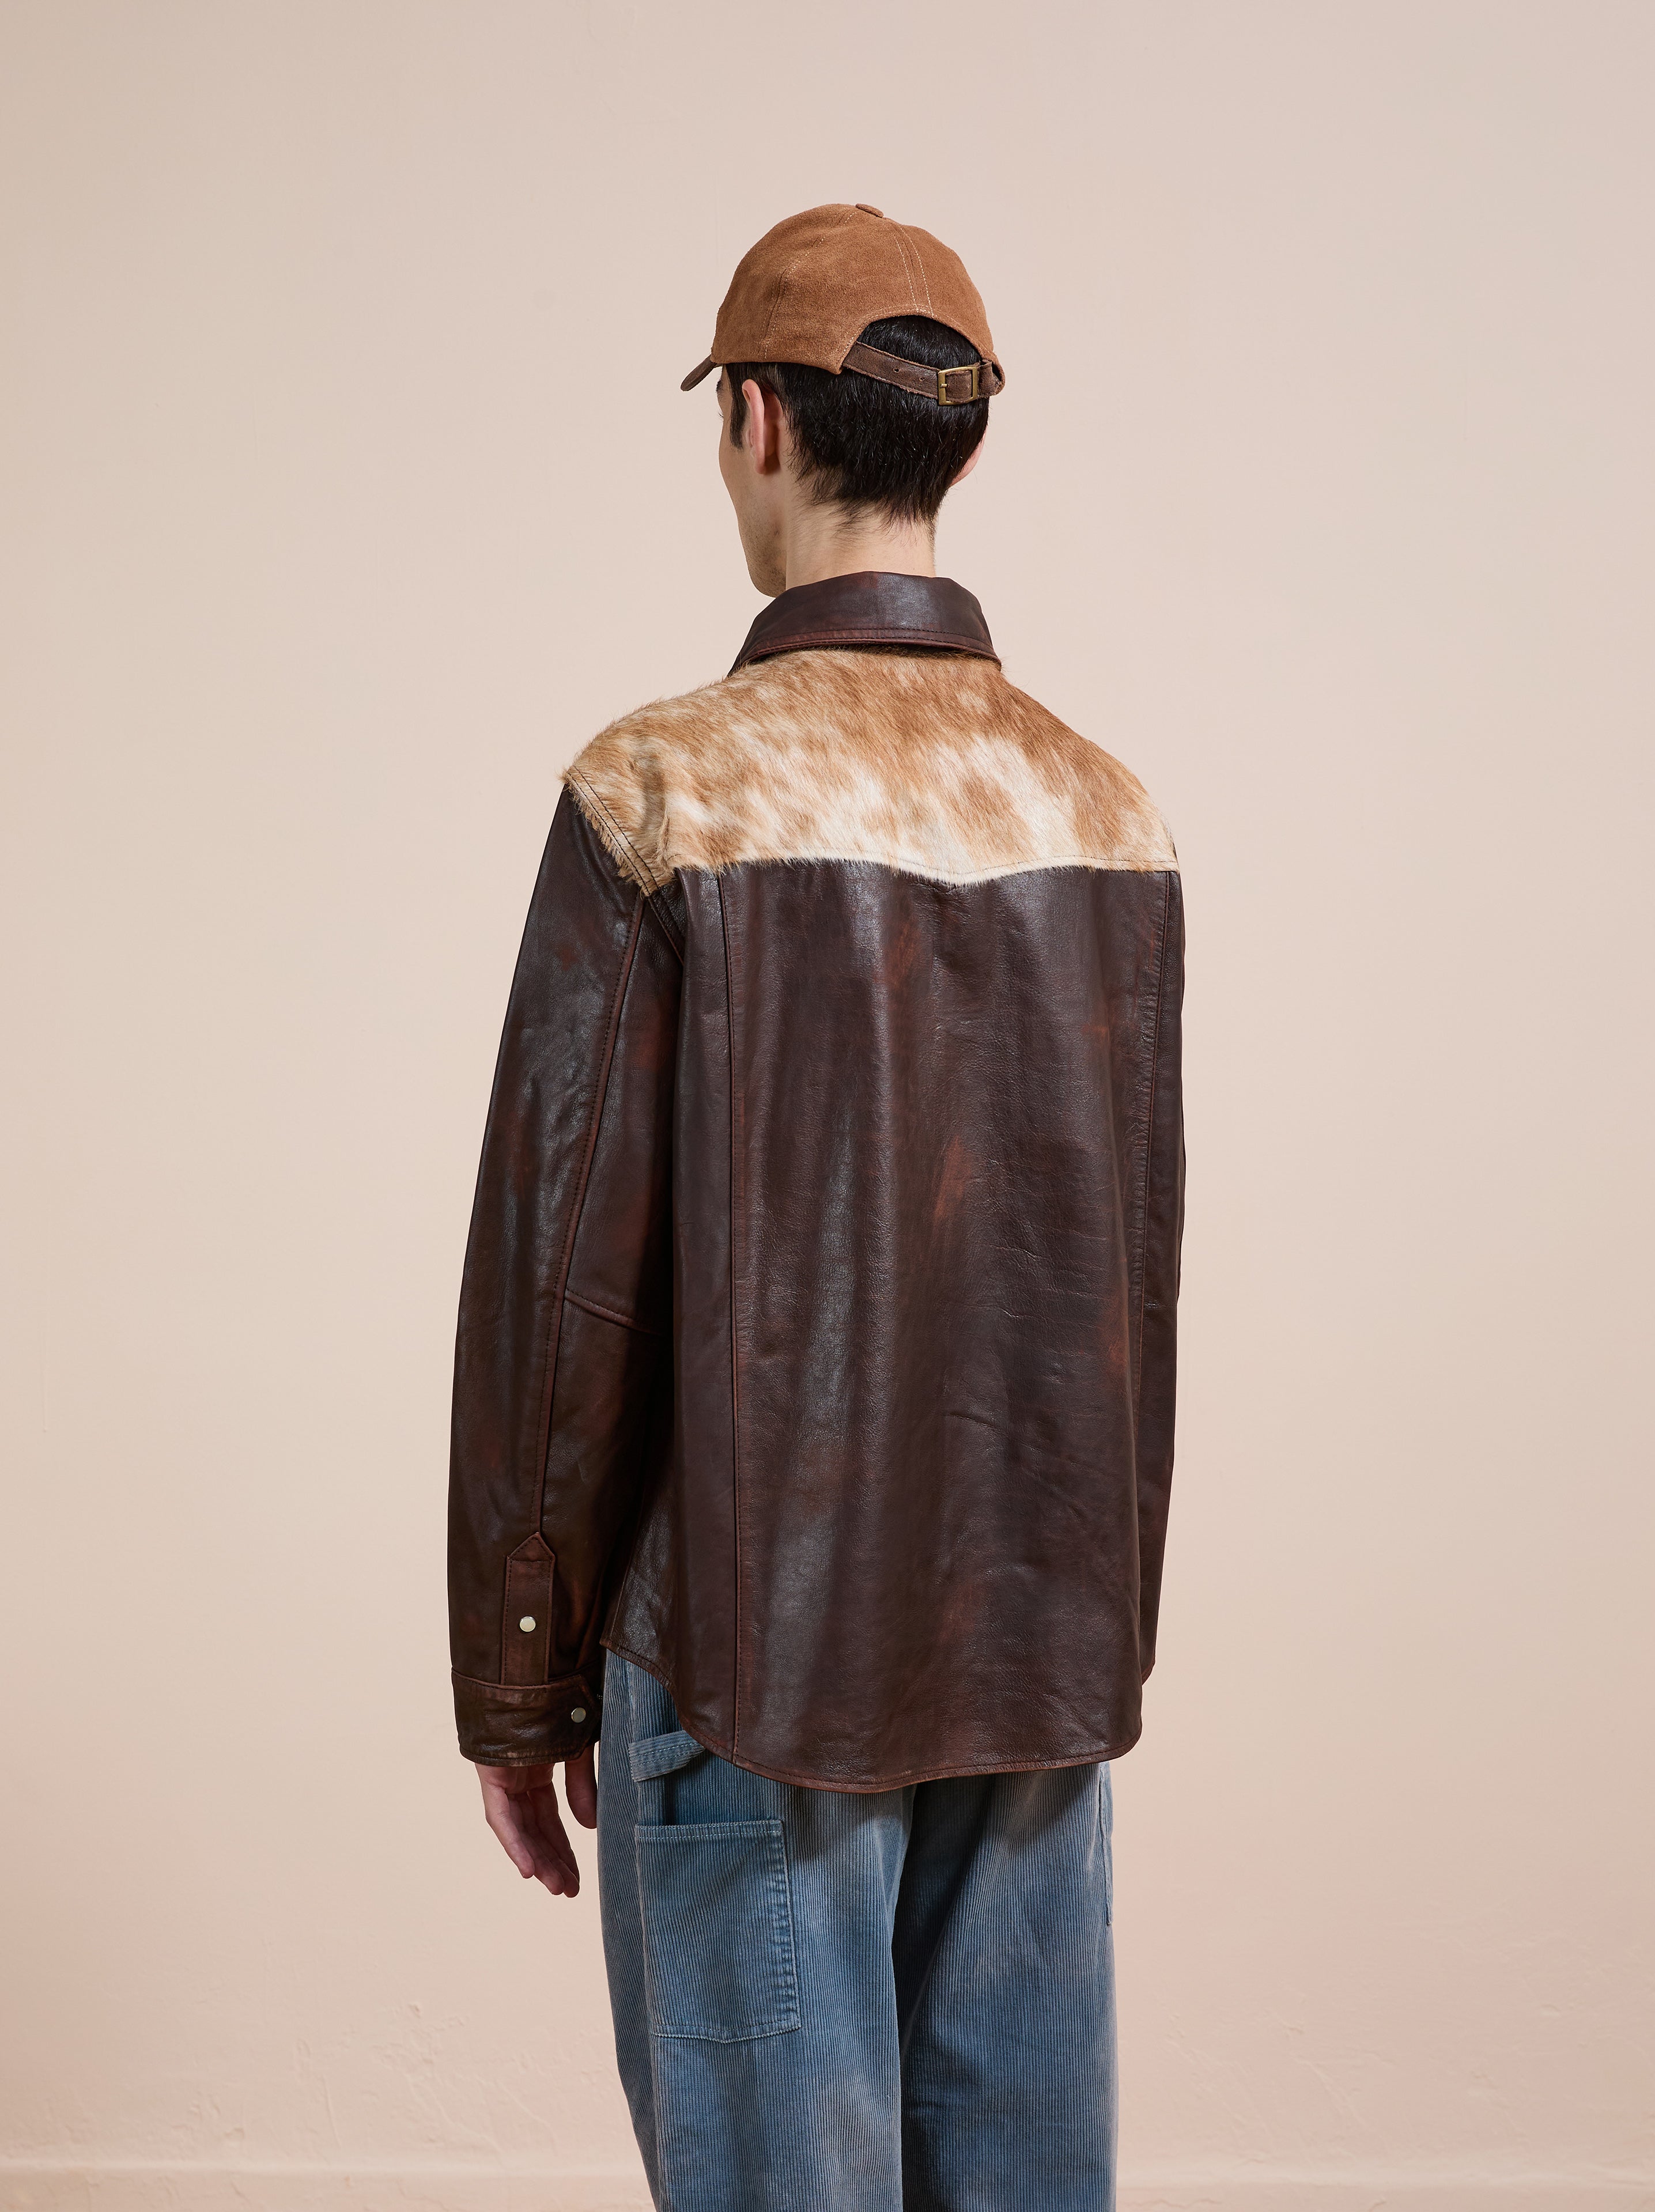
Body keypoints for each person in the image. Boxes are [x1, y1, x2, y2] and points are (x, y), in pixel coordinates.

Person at [447, 202, 1185, 2212]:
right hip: (1036, 1661)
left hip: (745, 1669)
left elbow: (562, 1285)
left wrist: (521, 1680)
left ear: (758, 420)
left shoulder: (664, 793)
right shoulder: (1105, 811)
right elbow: (1123, 1281)